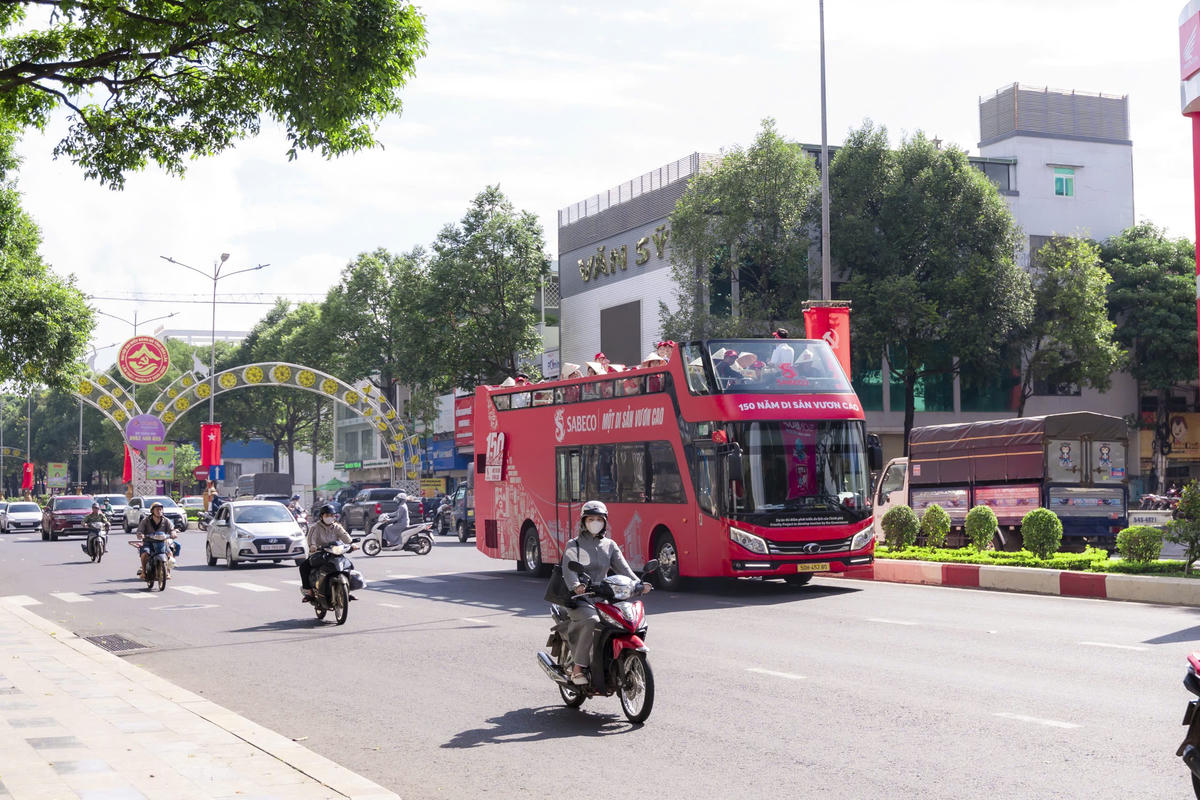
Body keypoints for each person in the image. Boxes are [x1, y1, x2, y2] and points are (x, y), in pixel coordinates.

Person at [560, 500, 650, 685]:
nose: (595, 522)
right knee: (592, 620)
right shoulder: (574, 545)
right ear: (583, 521)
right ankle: (578, 668)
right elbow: (569, 571)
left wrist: (639, 584)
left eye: (599, 519)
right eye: (591, 519)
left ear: (605, 522)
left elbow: (624, 569)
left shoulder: (610, 545)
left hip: (604, 597)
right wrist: (576, 586)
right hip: (580, 598)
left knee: (626, 618)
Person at [300, 504, 353, 599]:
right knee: (304, 567)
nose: (329, 517)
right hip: (320, 553)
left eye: (332, 515)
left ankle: (346, 590)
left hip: (336, 553)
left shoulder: (337, 527)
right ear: (321, 516)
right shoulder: (315, 527)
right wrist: (312, 546)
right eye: (327, 515)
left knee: (349, 566)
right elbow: (311, 539)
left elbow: (346, 537)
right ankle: (308, 590)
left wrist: (352, 544)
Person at [134, 502, 178, 578]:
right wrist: (140, 534)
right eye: (157, 509)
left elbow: (172, 529)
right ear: (152, 511)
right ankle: (143, 572)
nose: (159, 511)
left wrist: (173, 533)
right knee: (145, 554)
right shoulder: (146, 520)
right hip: (149, 542)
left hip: (162, 542)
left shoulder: (166, 520)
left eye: (160, 509)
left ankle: (168, 572)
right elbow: (139, 531)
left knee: (170, 554)